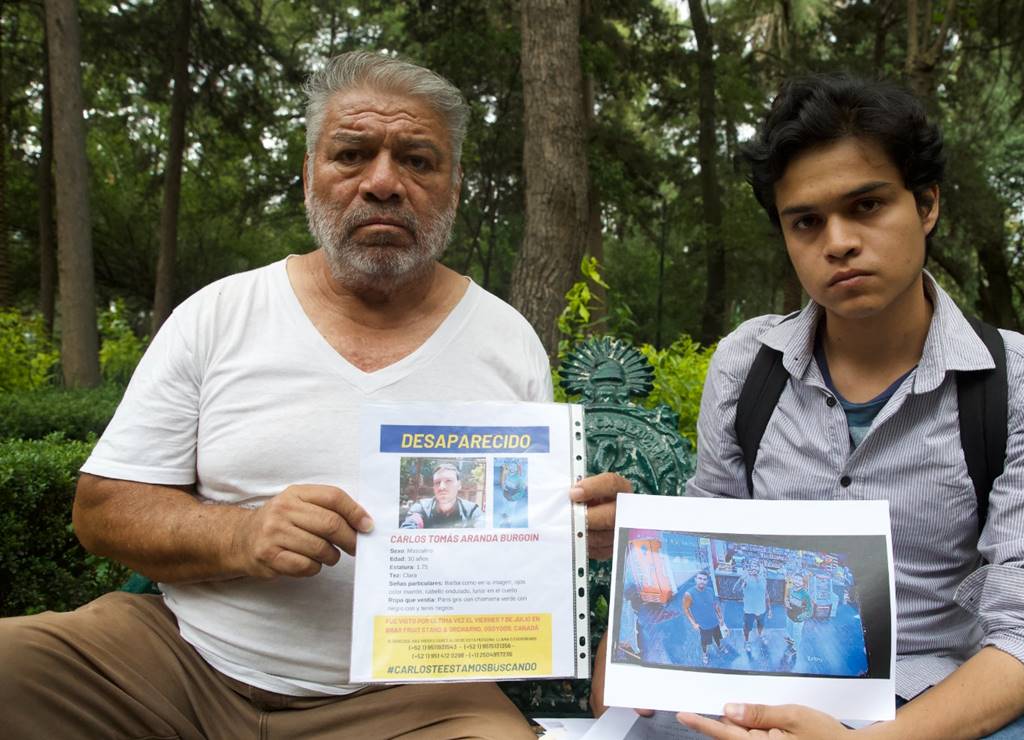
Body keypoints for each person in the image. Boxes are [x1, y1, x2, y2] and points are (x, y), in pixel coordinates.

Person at [0, 51, 627, 740]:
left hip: (409, 699)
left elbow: (523, 530)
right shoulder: (220, 314)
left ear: (454, 187)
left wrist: (583, 533)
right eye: (352, 154)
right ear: (309, 177)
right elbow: (100, 511)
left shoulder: (506, 342)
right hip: (182, 662)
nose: (383, 183)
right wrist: (241, 534)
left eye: (418, 161)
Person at [582, 74, 1024, 738]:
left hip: (938, 705)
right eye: (806, 221)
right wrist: (639, 613)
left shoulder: (1023, 385)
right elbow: (707, 540)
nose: (836, 241)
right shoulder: (748, 366)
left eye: (866, 206)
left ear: (926, 204)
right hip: (751, 692)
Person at [401, 462, 483, 528]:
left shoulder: (472, 511)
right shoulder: (422, 508)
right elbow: (410, 526)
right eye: (437, 482)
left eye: (448, 481)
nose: (441, 487)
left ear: (459, 485)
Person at [682, 571, 728, 666]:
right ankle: (705, 654)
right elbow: (686, 609)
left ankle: (720, 647)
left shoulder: (710, 590)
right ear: (695, 579)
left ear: (707, 581)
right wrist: (693, 623)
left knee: (717, 637)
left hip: (714, 621)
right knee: (705, 642)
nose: (702, 581)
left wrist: (720, 617)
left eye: (704, 579)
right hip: (703, 625)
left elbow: (715, 605)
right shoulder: (689, 594)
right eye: (700, 578)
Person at [734, 560, 772, 655]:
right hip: (749, 611)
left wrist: (770, 609)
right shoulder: (745, 579)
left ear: (759, 568)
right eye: (752, 565)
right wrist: (741, 579)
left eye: (756, 565)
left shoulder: (763, 579)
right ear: (749, 568)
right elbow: (735, 590)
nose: (754, 567)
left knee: (761, 625)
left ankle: (761, 635)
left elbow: (766, 594)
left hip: (761, 610)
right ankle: (747, 642)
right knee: (747, 628)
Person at [781, 573, 813, 662]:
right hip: (790, 615)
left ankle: (795, 648)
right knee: (789, 629)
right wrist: (787, 603)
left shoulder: (805, 594)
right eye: (796, 579)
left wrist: (801, 616)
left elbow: (810, 610)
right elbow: (787, 598)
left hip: (798, 620)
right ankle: (791, 640)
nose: (797, 582)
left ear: (803, 583)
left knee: (797, 634)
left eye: (800, 580)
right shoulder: (791, 589)